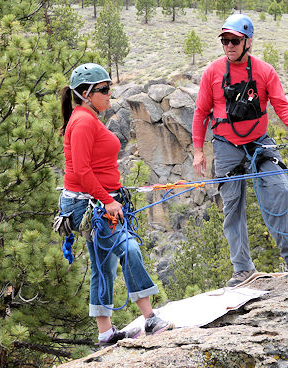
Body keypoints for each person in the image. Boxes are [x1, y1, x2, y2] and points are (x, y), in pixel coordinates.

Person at [192, 14, 288, 287]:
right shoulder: (212, 73)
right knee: (232, 206)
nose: (229, 45)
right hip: (226, 146)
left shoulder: (264, 71)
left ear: (248, 41)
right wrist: (198, 151)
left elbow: (281, 105)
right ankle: (242, 268)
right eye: (225, 40)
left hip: (259, 142)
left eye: (234, 40)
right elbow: (201, 112)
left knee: (281, 189)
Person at [59, 63, 172, 346]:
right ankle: (150, 319)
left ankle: (105, 333)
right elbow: (83, 172)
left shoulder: (84, 116)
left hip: (88, 201)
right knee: (129, 248)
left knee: (103, 265)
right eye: (104, 89)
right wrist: (109, 200)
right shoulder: (84, 121)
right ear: (86, 93)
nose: (111, 94)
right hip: (92, 204)